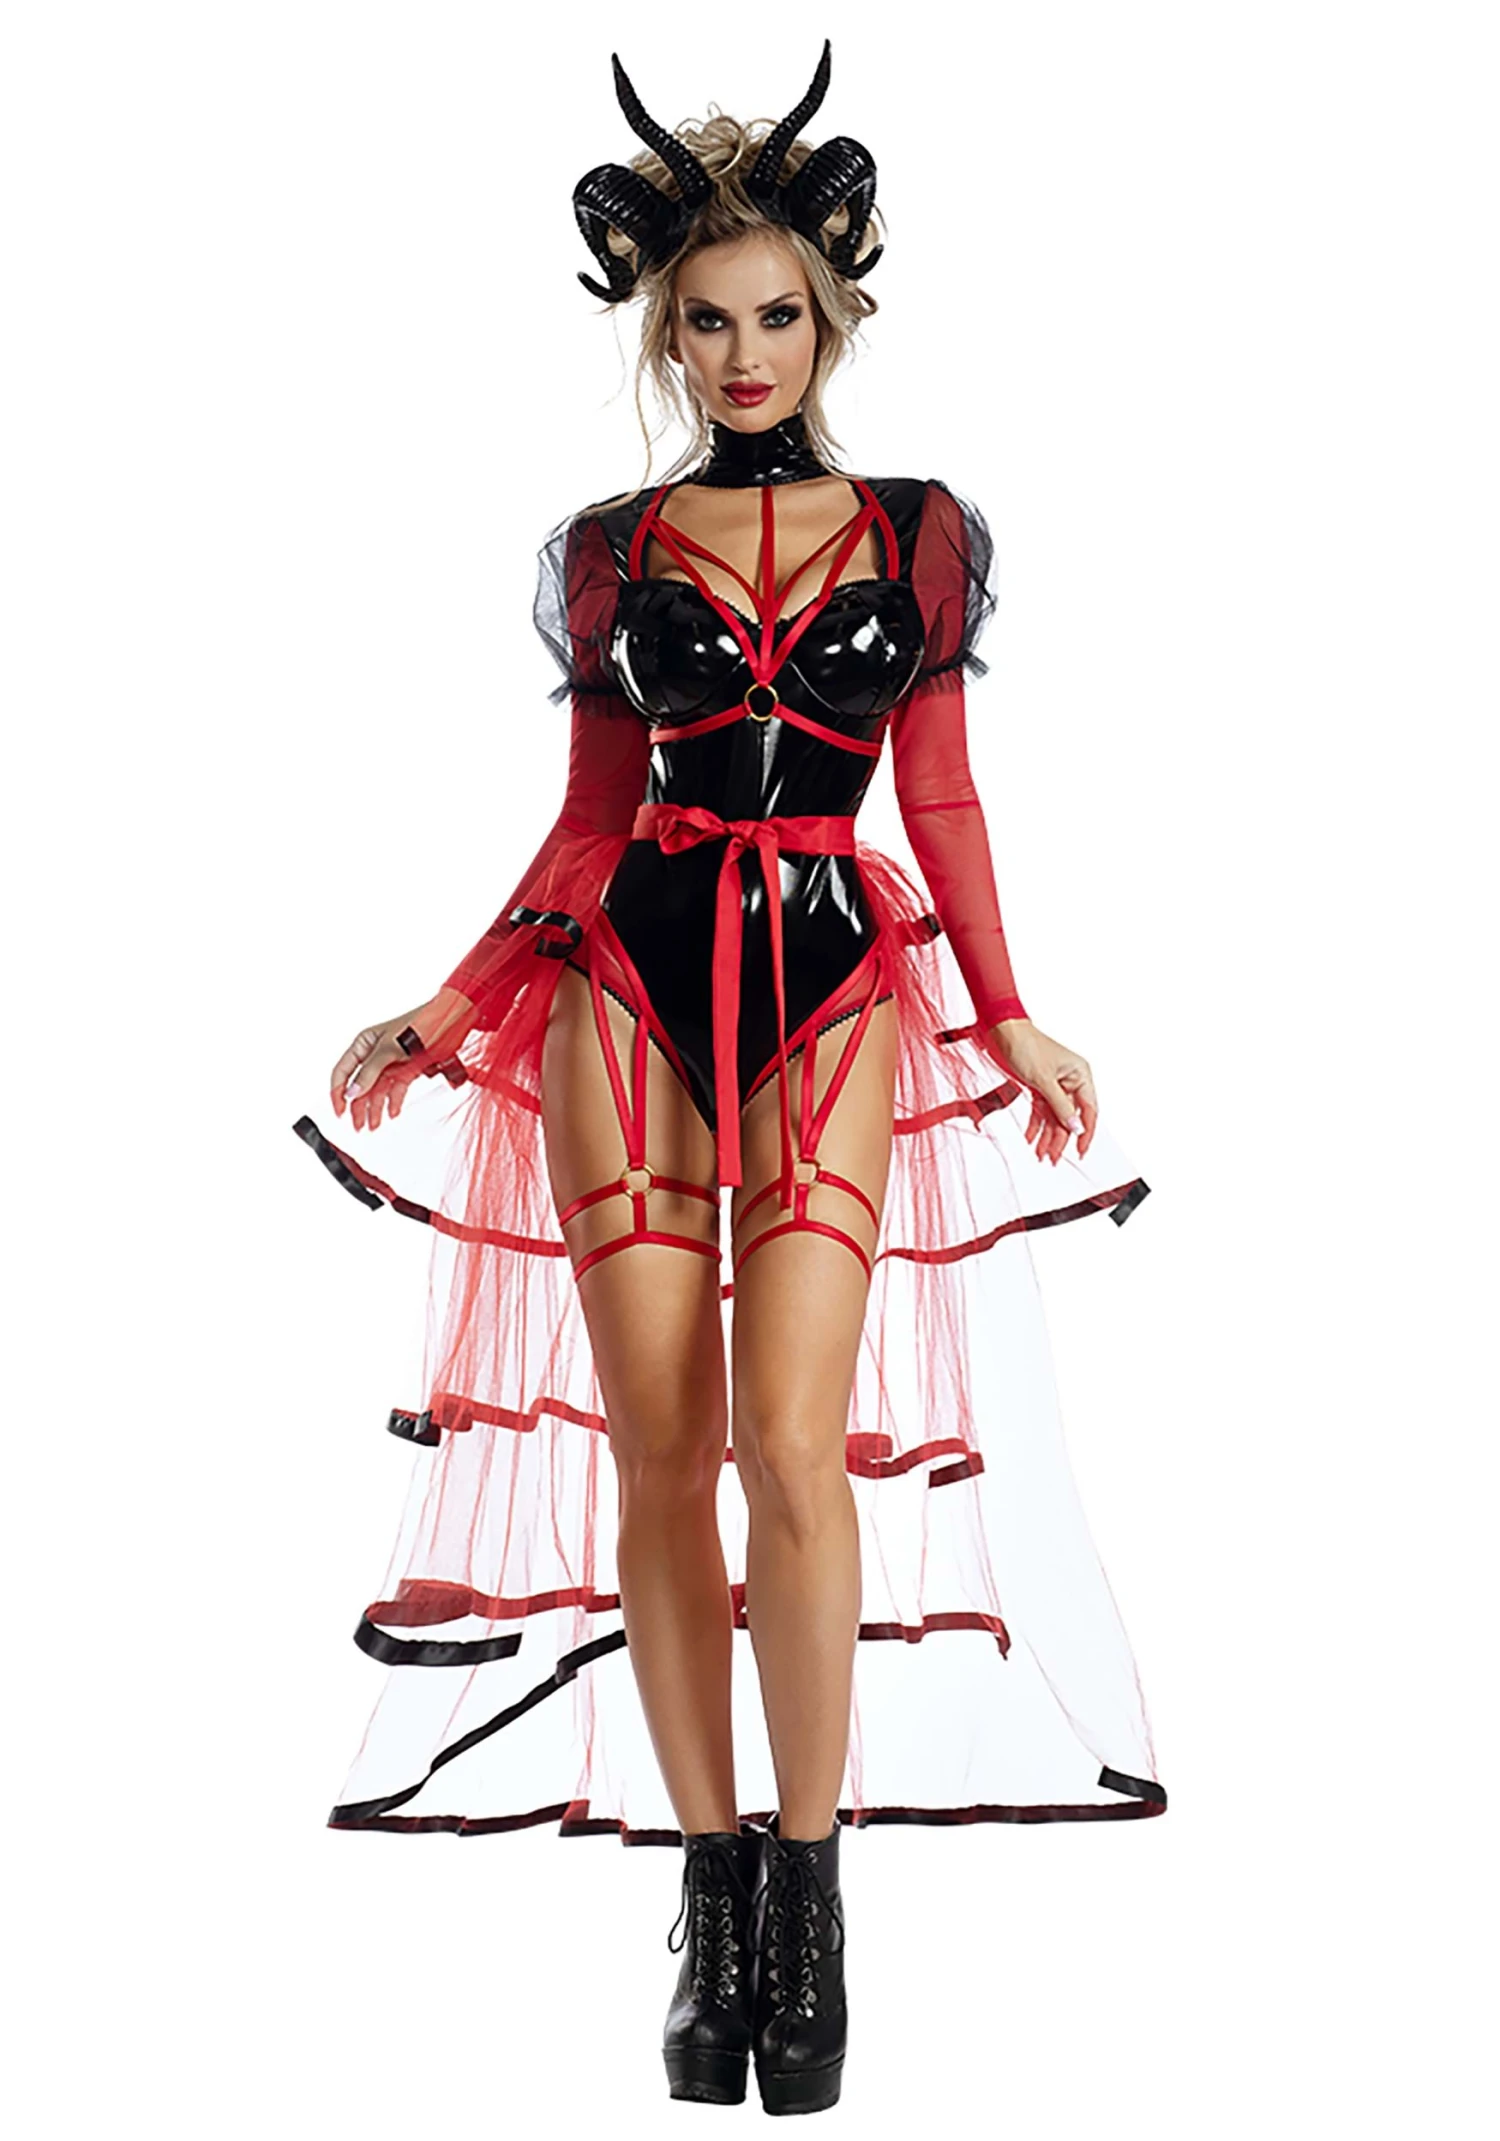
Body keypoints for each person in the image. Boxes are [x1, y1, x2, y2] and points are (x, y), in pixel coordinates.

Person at [292, 41, 1164, 2117]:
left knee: (792, 1440)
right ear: (662, 330)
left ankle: (815, 1893)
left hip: (838, 987)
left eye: (778, 313)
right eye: (708, 319)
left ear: (833, 316)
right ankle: (713, 1904)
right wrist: (445, 1004)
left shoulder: (922, 535)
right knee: (661, 1446)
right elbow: (590, 817)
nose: (745, 351)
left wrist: (1013, 1010)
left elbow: (941, 797)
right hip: (623, 990)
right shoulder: (608, 548)